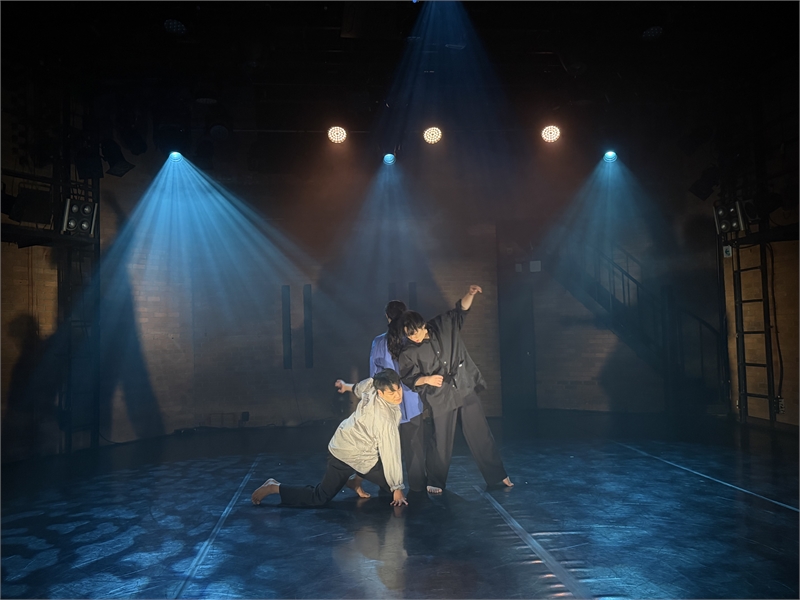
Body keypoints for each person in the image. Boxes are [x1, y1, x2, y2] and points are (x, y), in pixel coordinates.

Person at [398, 285, 513, 494]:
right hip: (440, 396)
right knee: (441, 438)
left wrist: (470, 294)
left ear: (423, 326)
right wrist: (427, 379)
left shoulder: (444, 324)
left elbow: (461, 311)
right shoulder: (409, 351)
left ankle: (497, 474)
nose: (413, 338)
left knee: (480, 432)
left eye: (415, 333)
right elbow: (408, 378)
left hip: (463, 385)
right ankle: (436, 480)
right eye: (409, 335)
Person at [251, 368, 408, 508]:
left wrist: (345, 386)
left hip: (358, 447)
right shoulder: (384, 419)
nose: (397, 396)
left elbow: (359, 388)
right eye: (391, 393)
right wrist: (397, 488)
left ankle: (354, 481)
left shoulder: (373, 384)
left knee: (381, 467)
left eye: (398, 389)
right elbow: (390, 452)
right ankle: (274, 487)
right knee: (319, 497)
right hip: (346, 452)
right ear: (380, 393)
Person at [370, 300, 427, 493]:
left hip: (388, 402)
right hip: (412, 401)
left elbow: (374, 376)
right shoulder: (412, 340)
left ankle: (387, 485)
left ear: (387, 317)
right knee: (415, 446)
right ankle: (417, 485)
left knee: (387, 447)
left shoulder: (379, 342)